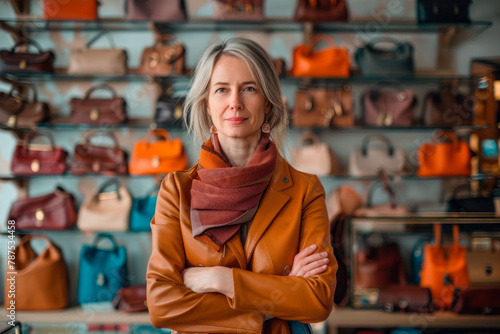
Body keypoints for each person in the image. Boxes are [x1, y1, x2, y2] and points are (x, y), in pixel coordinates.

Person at [146, 36, 337, 334]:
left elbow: (318, 299)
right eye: (221, 90)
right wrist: (277, 300)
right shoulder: (176, 190)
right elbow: (161, 304)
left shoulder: (305, 191)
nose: (235, 103)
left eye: (249, 88)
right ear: (208, 105)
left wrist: (221, 280)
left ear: (268, 105)